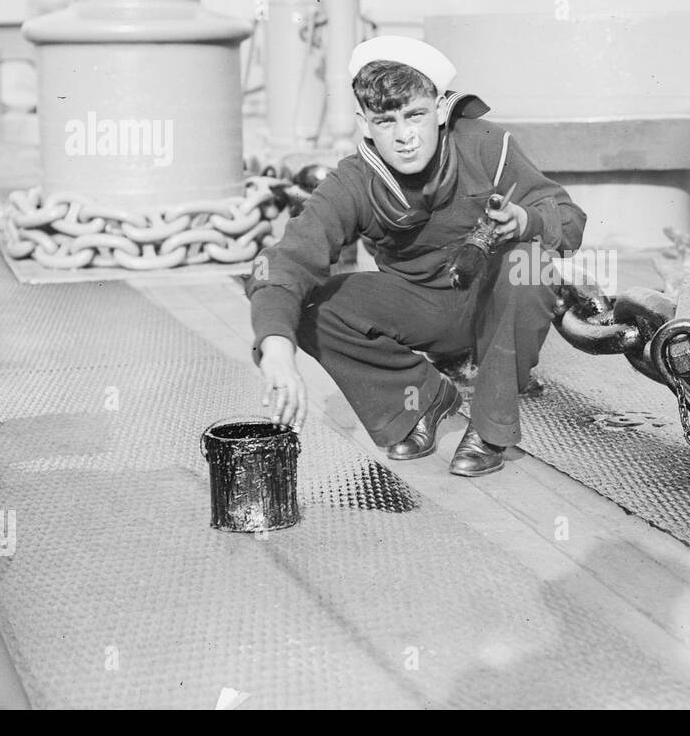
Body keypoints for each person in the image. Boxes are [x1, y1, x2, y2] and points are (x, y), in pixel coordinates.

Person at [247, 36, 586, 477]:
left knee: (527, 263)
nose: (404, 137)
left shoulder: (488, 145)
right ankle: (421, 402)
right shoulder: (354, 182)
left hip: (496, 309)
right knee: (314, 306)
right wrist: (275, 351)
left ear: (442, 109)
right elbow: (287, 262)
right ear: (364, 123)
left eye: (416, 115)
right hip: (424, 311)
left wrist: (525, 221)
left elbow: (570, 219)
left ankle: (491, 428)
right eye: (385, 121)